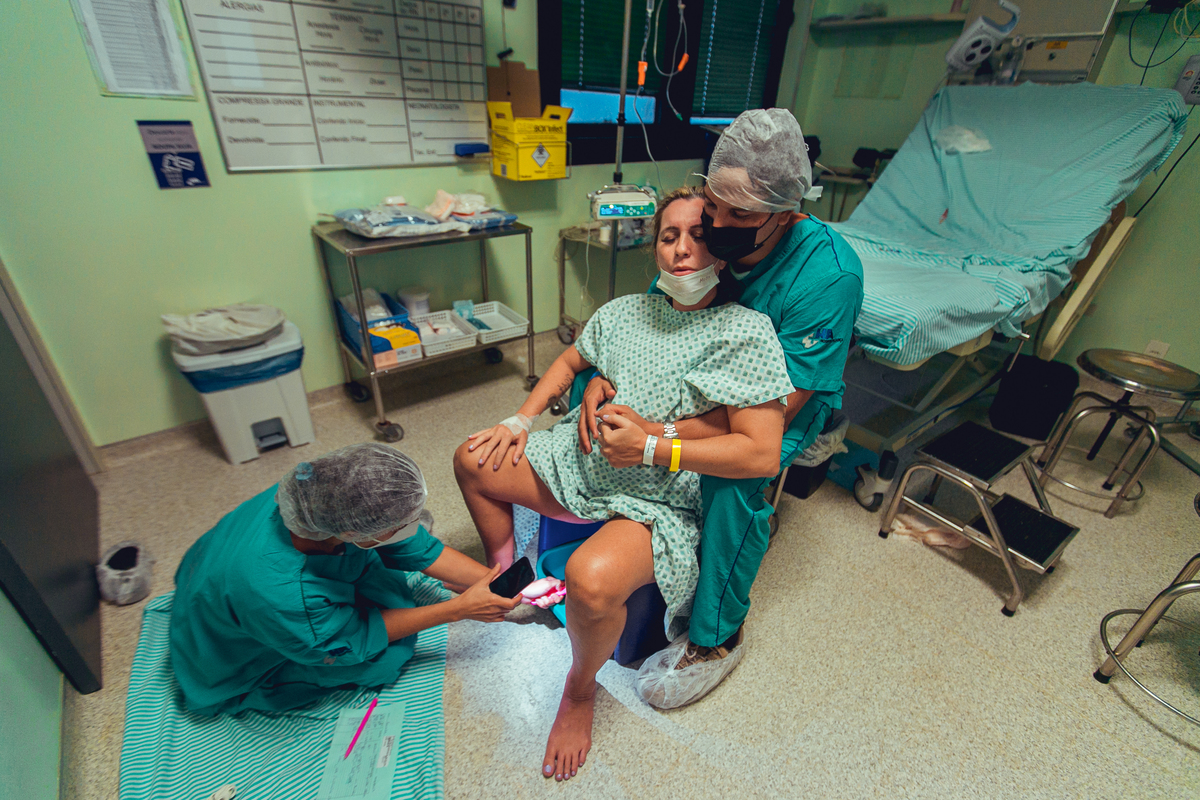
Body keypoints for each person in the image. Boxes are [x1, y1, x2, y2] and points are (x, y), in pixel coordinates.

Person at [453, 187, 795, 781]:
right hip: (584, 462)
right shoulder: (622, 313)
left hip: (659, 496)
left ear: (722, 249)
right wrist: (522, 419)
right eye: (669, 236)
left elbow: (761, 452)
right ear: (653, 248)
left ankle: (580, 689)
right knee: (473, 458)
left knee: (589, 580)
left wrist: (653, 446)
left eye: (698, 236)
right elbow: (574, 361)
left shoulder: (744, 332)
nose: (681, 249)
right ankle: (508, 578)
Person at [579, 109, 864, 708]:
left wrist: (658, 436)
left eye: (742, 216)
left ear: (786, 212)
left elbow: (775, 413)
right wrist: (603, 379)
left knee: (731, 480)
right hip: (697, 376)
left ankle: (716, 635)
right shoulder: (706, 228)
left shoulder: (827, 277)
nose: (718, 227)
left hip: (783, 401)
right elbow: (654, 321)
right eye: (714, 206)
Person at [169, 443, 521, 716]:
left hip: (214, 568)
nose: (412, 527)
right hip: (226, 651)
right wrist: (457, 609)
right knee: (387, 657)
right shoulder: (281, 591)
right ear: (353, 532)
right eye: (400, 525)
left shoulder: (317, 490)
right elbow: (357, 638)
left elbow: (419, 548)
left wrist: (495, 581)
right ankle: (262, 684)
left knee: (388, 575)